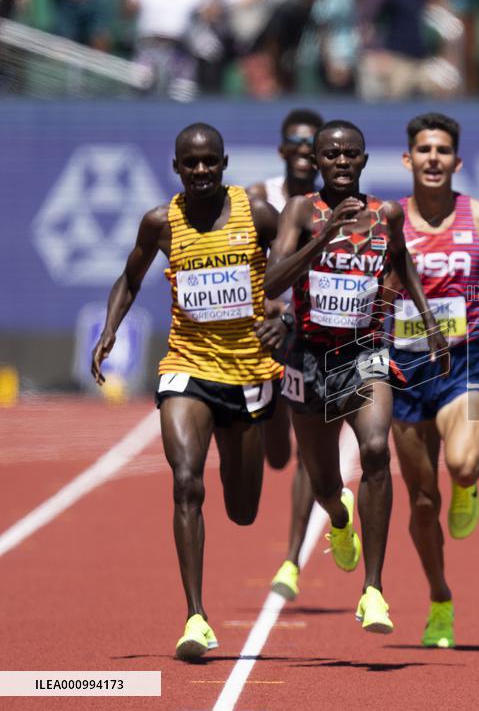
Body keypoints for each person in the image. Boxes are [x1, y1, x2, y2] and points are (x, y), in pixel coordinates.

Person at [91, 123, 288, 660]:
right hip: (187, 365)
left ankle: (236, 465)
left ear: (224, 164)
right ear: (176, 168)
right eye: (190, 163)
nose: (200, 171)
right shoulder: (160, 222)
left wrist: (286, 316)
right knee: (185, 482)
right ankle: (196, 617)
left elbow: (295, 268)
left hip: (247, 372)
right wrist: (110, 329)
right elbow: (130, 278)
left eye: (209, 162)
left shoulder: (258, 215)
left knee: (242, 510)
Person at [264, 119, 447, 634]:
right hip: (308, 358)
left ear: (364, 160)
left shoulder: (386, 214)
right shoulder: (301, 211)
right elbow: (273, 281)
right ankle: (339, 517)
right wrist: (322, 237)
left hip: (364, 352)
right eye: (331, 154)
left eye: (351, 154)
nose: (341, 161)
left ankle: (374, 590)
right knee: (323, 483)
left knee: (375, 450)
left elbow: (404, 264)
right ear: (317, 161)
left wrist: (430, 324)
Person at [389, 112, 479, 648]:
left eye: (443, 151)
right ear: (408, 159)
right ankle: (439, 599)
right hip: (404, 370)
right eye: (424, 150)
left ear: (457, 162)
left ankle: (468, 484)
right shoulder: (387, 222)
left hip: (462, 363)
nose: (433, 159)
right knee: (423, 504)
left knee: (463, 463)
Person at [247, 108, 323, 602]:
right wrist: (265, 305)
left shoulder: (329, 204)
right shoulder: (257, 198)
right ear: (281, 150)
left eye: (310, 145)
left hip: (310, 336)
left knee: (310, 449)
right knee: (276, 455)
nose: (303, 152)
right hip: (264, 337)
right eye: (295, 143)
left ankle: (291, 560)